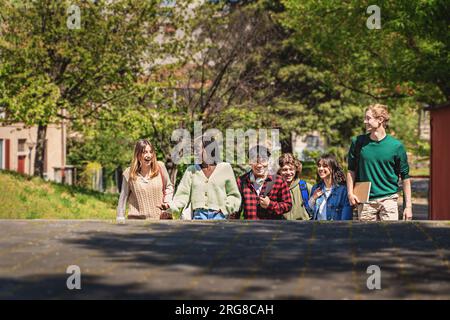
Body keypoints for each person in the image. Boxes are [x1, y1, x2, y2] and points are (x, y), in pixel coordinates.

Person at [347, 104, 412, 221]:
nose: (364, 121)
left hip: (389, 200)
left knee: (390, 237)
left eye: (368, 118)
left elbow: (405, 177)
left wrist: (408, 206)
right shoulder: (357, 142)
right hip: (365, 201)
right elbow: (351, 170)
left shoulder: (396, 146)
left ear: (380, 120)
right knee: (367, 238)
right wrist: (350, 193)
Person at [161, 136, 241, 220]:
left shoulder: (225, 168)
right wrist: (171, 207)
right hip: (199, 216)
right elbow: (182, 196)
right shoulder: (191, 170)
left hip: (220, 216)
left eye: (198, 150)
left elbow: (234, 195)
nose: (195, 153)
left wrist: (225, 209)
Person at [116, 139, 173, 222]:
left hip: (160, 222)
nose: (149, 155)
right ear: (138, 155)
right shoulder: (129, 173)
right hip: (136, 223)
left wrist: (167, 205)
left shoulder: (160, 167)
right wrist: (120, 218)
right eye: (145, 152)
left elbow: (169, 187)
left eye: (151, 152)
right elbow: (123, 199)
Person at [235, 145, 292, 220]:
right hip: (249, 228)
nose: (259, 165)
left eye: (263, 161)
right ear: (250, 162)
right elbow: (235, 209)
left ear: (268, 161)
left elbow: (288, 205)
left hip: (272, 229)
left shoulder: (279, 181)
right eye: (255, 161)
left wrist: (270, 204)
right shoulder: (241, 181)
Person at [308, 154, 353, 221]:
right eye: (319, 166)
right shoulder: (316, 188)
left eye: (324, 166)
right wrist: (313, 198)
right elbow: (310, 212)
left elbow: (346, 218)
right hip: (318, 229)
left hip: (336, 229)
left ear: (332, 168)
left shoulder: (343, 190)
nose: (320, 168)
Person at [278, 153, 312, 220]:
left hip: (303, 227)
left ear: (296, 170)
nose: (288, 172)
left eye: (291, 169)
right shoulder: (275, 188)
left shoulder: (306, 187)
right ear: (280, 171)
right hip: (282, 227)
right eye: (285, 169)